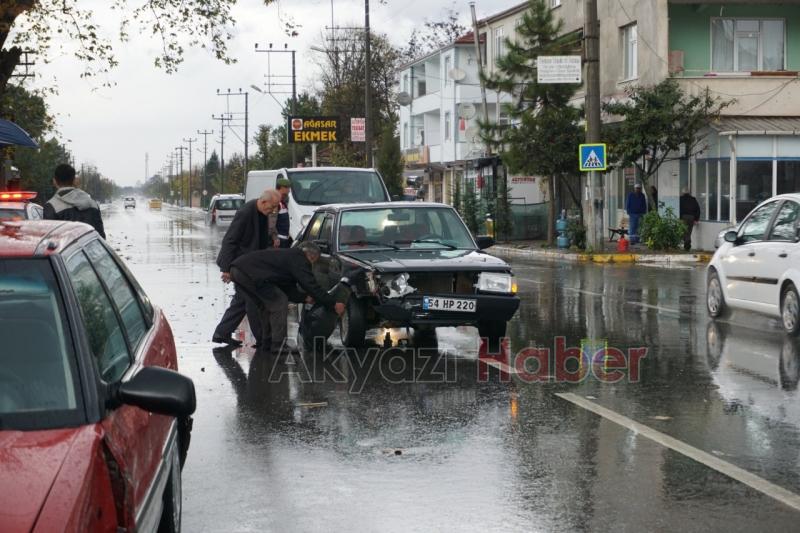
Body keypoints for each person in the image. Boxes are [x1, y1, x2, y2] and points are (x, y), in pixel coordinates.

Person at [230, 241, 346, 354]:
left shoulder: (288, 258)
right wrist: (333, 303)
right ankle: (278, 345)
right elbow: (310, 285)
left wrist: (304, 298)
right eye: (313, 262)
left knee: (265, 305)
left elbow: (287, 288)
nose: (311, 265)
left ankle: (266, 342)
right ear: (311, 256)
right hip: (249, 273)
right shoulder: (299, 258)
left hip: (238, 270)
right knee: (279, 302)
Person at [213, 189, 281, 347]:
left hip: (250, 264)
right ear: (263, 202)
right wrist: (226, 269)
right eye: (271, 207)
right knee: (251, 300)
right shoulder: (245, 213)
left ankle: (221, 333)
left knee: (242, 300)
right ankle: (262, 339)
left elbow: (261, 240)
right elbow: (230, 240)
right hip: (240, 265)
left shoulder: (262, 213)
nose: (273, 211)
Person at [43, 163, 106, 238]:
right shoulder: (92, 203)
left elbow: (50, 242)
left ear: (54, 181)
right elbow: (101, 237)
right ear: (74, 180)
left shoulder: (51, 206)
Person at [275, 178, 292, 248]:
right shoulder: (276, 203)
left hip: (283, 240)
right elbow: (271, 224)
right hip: (278, 241)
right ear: (280, 188)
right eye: (287, 187)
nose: (289, 190)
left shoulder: (283, 203)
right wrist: (275, 238)